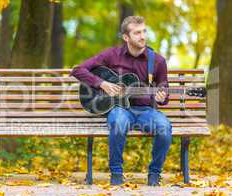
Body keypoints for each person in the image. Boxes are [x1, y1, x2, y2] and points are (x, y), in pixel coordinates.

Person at [70, 16, 172, 186]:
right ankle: (116, 174)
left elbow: (163, 87)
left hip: (145, 110)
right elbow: (77, 70)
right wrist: (102, 83)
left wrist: (163, 96)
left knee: (164, 127)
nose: (143, 36)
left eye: (144, 31)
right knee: (118, 122)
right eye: (137, 33)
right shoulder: (112, 55)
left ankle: (154, 174)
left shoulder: (157, 61)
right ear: (126, 37)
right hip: (119, 108)